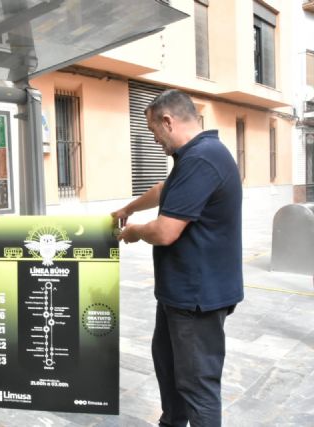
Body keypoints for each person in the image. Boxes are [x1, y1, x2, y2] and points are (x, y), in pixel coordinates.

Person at [111, 90, 243, 427]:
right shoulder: (194, 156)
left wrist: (134, 230)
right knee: (170, 374)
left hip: (197, 299)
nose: (154, 139)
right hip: (179, 294)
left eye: (154, 130)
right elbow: (164, 188)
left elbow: (166, 231)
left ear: (168, 121)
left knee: (197, 386)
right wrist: (129, 208)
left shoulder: (202, 158)